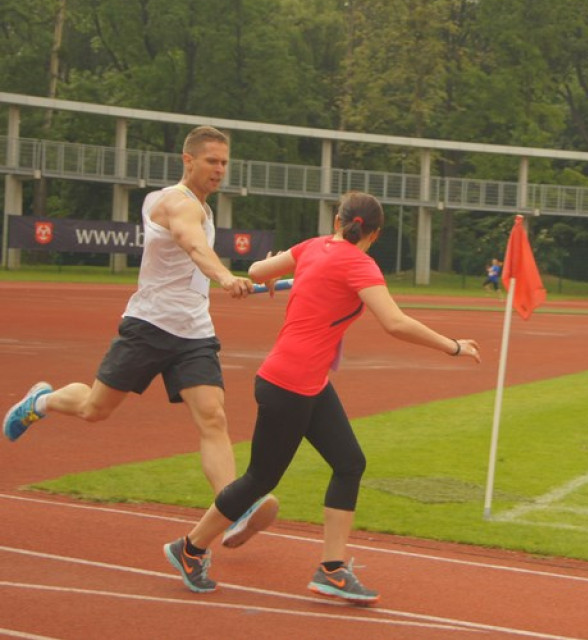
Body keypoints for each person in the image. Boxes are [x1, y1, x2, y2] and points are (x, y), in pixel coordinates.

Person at [162, 191, 481, 602]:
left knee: (349, 463)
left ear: (338, 220)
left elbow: (257, 269)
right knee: (260, 478)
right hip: (289, 383)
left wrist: (275, 274)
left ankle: (332, 569)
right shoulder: (361, 264)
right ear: (376, 234)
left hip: (306, 381)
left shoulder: (313, 247)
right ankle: (189, 548)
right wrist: (451, 345)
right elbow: (395, 323)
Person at [4, 125, 278, 548]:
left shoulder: (204, 208)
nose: (219, 169)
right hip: (149, 327)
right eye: (212, 161)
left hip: (194, 332)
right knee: (96, 409)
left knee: (213, 416)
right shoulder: (175, 203)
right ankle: (41, 401)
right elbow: (192, 245)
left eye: (224, 162)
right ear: (188, 160)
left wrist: (245, 277)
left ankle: (235, 507)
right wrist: (225, 275)